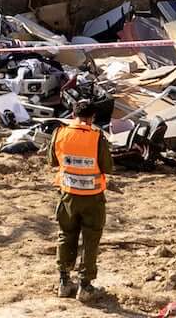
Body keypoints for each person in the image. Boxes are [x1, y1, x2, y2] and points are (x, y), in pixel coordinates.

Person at [50, 97, 117, 301]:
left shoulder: (60, 133)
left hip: (68, 195)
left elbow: (52, 161)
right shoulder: (97, 137)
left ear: (73, 115)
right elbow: (107, 167)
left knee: (66, 234)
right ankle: (85, 287)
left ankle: (63, 282)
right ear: (92, 117)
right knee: (91, 240)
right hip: (92, 198)